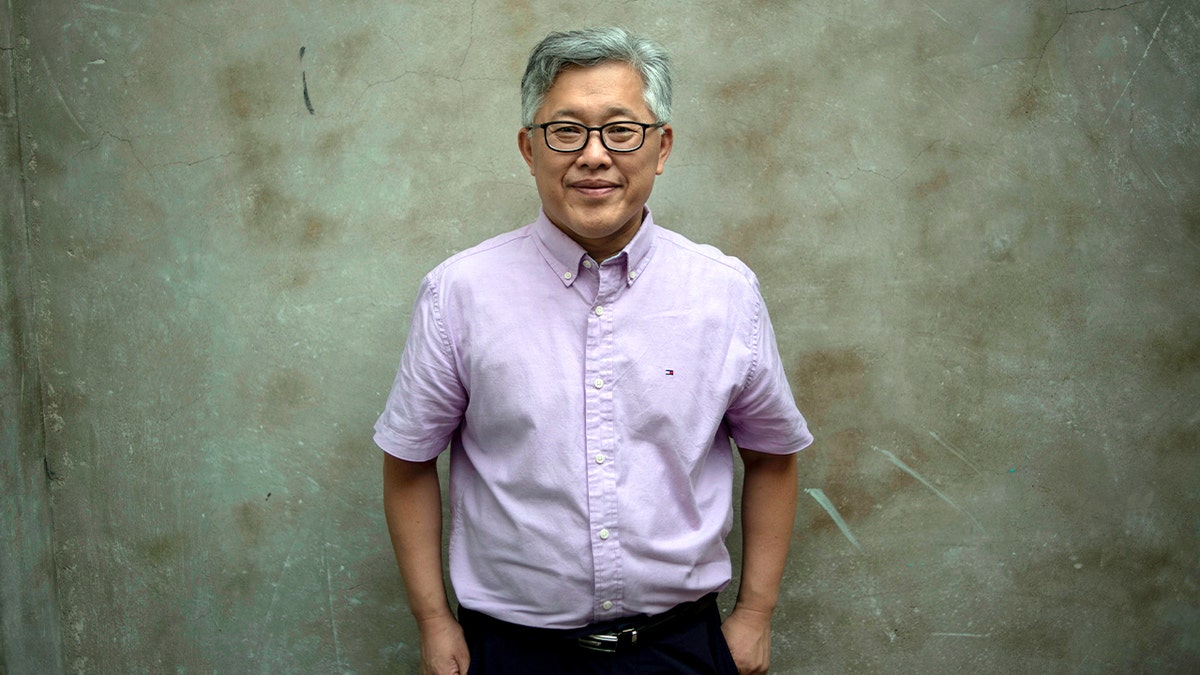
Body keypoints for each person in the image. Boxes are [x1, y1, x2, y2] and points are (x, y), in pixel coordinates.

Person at [375, 26, 812, 675]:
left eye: (621, 129)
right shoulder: (459, 294)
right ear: (530, 148)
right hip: (511, 652)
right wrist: (434, 620)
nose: (594, 155)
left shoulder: (724, 293)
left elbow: (772, 454)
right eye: (567, 130)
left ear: (662, 147)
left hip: (680, 648)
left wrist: (754, 615)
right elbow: (408, 460)